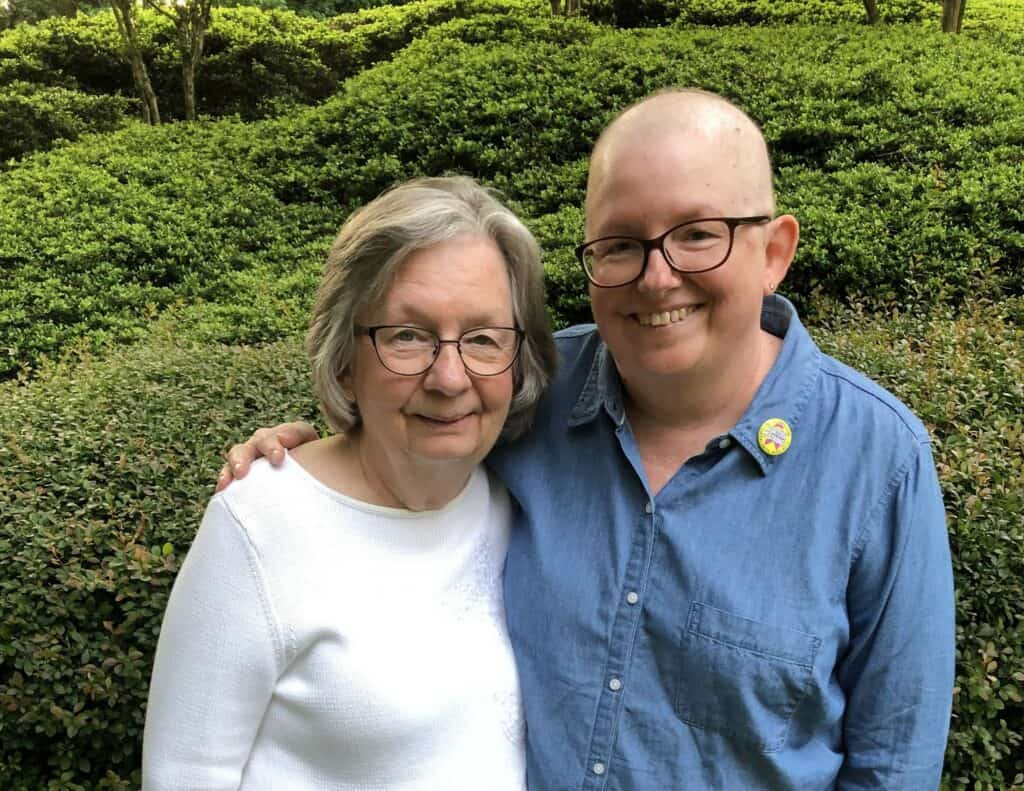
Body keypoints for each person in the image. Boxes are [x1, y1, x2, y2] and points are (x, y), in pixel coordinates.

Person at [220, 89, 956, 788]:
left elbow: (893, 764)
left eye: (697, 234)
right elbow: (403, 424)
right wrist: (301, 469)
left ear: (773, 251)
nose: (656, 278)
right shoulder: (528, 387)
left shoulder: (877, 461)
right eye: (620, 244)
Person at [142, 176, 558, 789]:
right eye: (407, 336)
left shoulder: (517, 492)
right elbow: (184, 775)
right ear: (345, 355)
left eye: (482, 338)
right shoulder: (261, 524)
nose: (449, 377)